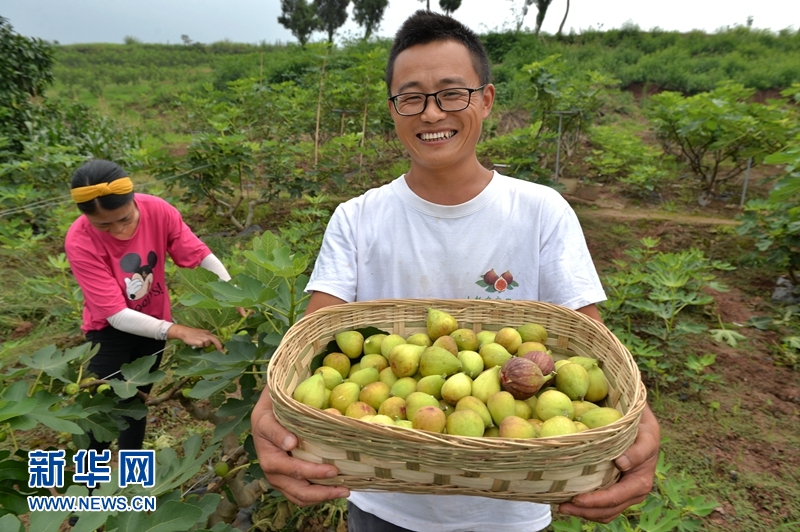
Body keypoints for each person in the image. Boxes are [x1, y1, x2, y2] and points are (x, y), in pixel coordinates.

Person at [252, 11, 661, 531]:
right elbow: (315, 334)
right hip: (384, 496)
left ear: (485, 100)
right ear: (393, 109)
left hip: (512, 504)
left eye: (451, 93)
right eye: (411, 98)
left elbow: (588, 339)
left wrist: (639, 423)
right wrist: (269, 410)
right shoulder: (358, 218)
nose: (431, 113)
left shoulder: (541, 212)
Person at [66, 159, 238, 450]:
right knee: (101, 413)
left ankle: (133, 473)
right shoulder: (80, 241)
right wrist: (179, 331)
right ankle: (90, 478)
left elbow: (198, 255)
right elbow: (116, 315)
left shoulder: (158, 211)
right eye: (103, 225)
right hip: (108, 334)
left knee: (136, 406)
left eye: (125, 219)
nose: (118, 230)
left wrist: (232, 292)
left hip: (154, 322)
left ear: (133, 200)